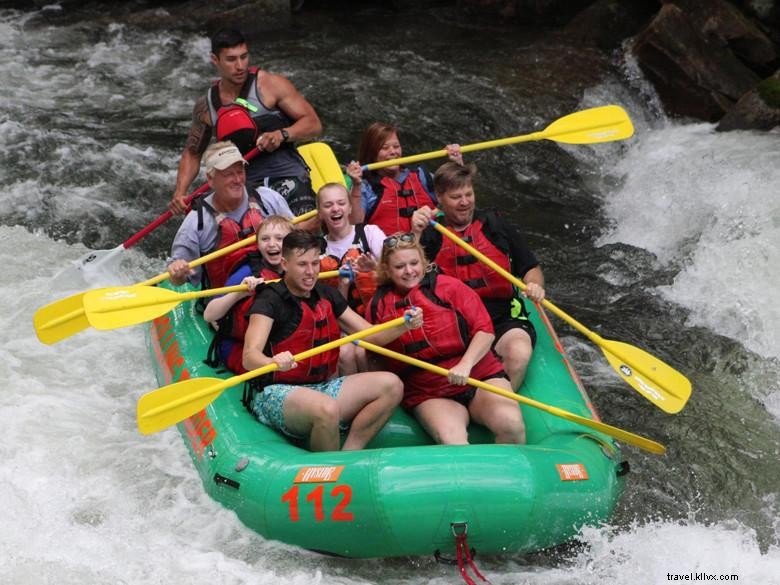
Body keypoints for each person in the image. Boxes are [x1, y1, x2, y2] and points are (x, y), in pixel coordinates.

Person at [242, 230, 424, 452]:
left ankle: (349, 454)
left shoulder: (327, 294)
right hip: (275, 392)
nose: (310, 272)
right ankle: (329, 471)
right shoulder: (269, 300)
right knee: (326, 408)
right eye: (302, 265)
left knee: (392, 385)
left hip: (321, 387)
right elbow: (249, 357)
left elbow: (371, 335)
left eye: (314, 263)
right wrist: (272, 361)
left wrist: (404, 325)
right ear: (285, 263)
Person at [367, 233, 525, 445]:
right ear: (387, 270)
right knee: (453, 440)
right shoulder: (378, 305)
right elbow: (373, 344)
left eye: (414, 263)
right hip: (429, 391)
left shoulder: (450, 287)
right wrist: (401, 327)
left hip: (478, 376)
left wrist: (465, 365)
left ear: (423, 261)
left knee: (511, 426)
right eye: (399, 266)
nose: (409, 271)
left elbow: (485, 331)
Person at [411, 162, 545, 391]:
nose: (465, 202)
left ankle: (501, 402)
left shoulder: (495, 224)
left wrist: (534, 286)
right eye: (456, 197)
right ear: (440, 198)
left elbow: (531, 268)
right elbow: (406, 276)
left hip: (501, 319)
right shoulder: (430, 231)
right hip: (452, 325)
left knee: (519, 352)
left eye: (468, 194)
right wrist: (415, 233)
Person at [168, 28, 322, 219]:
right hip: (243, 185)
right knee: (205, 216)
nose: (240, 66)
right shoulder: (206, 107)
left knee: (303, 230)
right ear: (215, 60)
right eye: (231, 60)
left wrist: (282, 134)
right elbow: (192, 152)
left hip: (287, 175)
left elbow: (313, 124)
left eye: (244, 57)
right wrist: (180, 192)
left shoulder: (270, 85)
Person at [166, 141, 293, 288]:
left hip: (279, 286)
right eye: (229, 175)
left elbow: (297, 239)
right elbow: (177, 280)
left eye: (240, 172)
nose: (238, 180)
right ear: (210, 179)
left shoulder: (268, 199)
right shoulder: (196, 223)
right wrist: (178, 272)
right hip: (227, 300)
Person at [203, 215, 293, 374]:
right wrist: (239, 293)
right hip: (237, 345)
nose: (272, 244)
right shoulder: (248, 272)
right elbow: (209, 315)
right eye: (265, 239)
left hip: (275, 341)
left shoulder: (297, 269)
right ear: (258, 245)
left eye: (279, 238)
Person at [317, 182, 385, 374]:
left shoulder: (369, 233)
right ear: (320, 212)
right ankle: (353, 397)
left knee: (362, 353)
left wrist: (374, 269)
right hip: (342, 323)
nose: (335, 208)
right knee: (345, 353)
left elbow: (396, 271)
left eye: (340, 203)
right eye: (328, 205)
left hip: (375, 317)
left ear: (349, 207)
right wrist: (342, 285)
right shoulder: (318, 249)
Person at [345, 122, 462, 235]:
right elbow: (354, 226)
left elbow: (459, 198)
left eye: (396, 146)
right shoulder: (365, 186)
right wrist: (356, 185)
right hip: (389, 251)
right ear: (372, 153)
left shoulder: (421, 176)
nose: (393, 152)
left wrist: (457, 164)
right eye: (385, 148)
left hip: (430, 249)